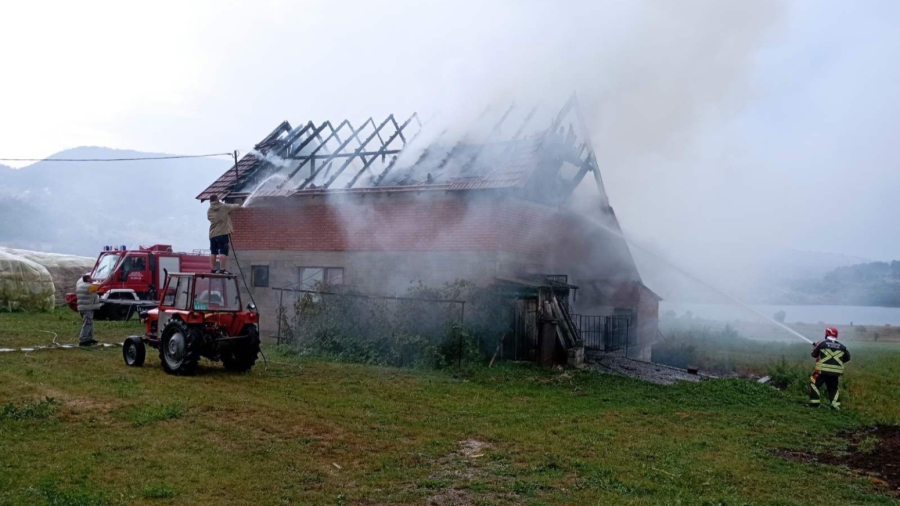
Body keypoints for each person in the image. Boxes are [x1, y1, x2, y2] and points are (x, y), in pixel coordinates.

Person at [808, 327, 851, 409]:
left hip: (822, 370)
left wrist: (816, 346)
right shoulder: (842, 346)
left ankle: (814, 403)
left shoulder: (822, 343)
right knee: (833, 388)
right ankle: (835, 406)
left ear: (827, 334)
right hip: (835, 372)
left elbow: (813, 354)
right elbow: (848, 357)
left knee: (813, 384)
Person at [207, 194, 240, 273]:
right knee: (223, 252)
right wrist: (241, 205)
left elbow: (209, 218)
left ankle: (213, 269)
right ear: (217, 199)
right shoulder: (224, 207)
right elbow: (234, 207)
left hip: (212, 235)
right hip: (222, 233)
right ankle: (222, 269)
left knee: (213, 252)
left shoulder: (209, 210)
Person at [75, 274, 100, 346]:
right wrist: (110, 278)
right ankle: (83, 340)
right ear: (87, 279)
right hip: (88, 308)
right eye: (90, 278)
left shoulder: (80, 286)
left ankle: (89, 338)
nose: (92, 279)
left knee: (89, 323)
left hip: (82, 308)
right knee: (87, 324)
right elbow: (101, 286)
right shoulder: (90, 286)